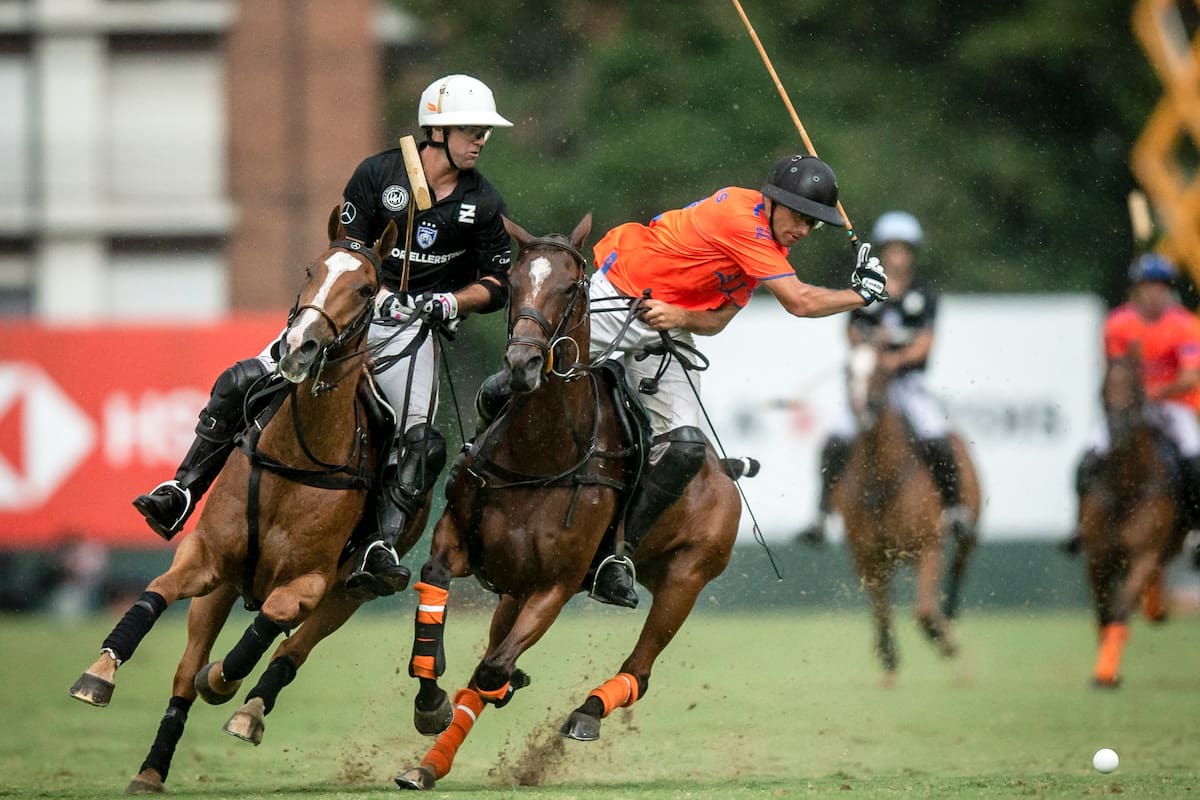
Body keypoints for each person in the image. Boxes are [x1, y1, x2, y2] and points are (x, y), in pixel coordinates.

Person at [133, 74, 514, 598]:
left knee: (419, 443)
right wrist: (371, 296)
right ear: (438, 131)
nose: (481, 141)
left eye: (484, 133)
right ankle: (181, 491)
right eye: (472, 131)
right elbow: (347, 251)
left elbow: (497, 282)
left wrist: (449, 301)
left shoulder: (485, 201)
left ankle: (380, 544)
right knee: (241, 380)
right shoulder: (379, 174)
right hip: (347, 314)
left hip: (413, 332)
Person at [581, 153, 888, 607]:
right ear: (773, 202)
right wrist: (860, 294)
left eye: (814, 223)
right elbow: (799, 302)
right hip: (617, 293)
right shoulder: (741, 220)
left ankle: (612, 558)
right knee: (529, 378)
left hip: (668, 323)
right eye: (799, 217)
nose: (803, 229)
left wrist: (680, 314)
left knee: (684, 447)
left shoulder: (770, 250)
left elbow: (718, 319)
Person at [797, 210, 971, 546]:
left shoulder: (925, 295)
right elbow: (850, 333)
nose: (897, 256)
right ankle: (821, 514)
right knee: (836, 439)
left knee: (936, 435)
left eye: (903, 250)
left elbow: (924, 344)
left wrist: (894, 359)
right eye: (891, 249)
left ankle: (954, 509)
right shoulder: (867, 289)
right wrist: (869, 353)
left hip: (906, 383)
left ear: (912, 254)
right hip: (871, 382)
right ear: (883, 252)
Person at [1064, 252, 1200, 556]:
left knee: (1194, 457)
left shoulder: (1186, 325)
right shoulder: (1118, 323)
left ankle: (1196, 529)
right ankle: (1080, 522)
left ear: (1169, 289)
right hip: (1130, 407)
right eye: (1148, 285)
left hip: (1173, 405)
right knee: (1090, 455)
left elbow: (1190, 376)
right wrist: (1134, 396)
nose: (1155, 292)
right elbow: (1114, 368)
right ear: (1137, 288)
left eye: (1161, 285)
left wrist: (1156, 392)